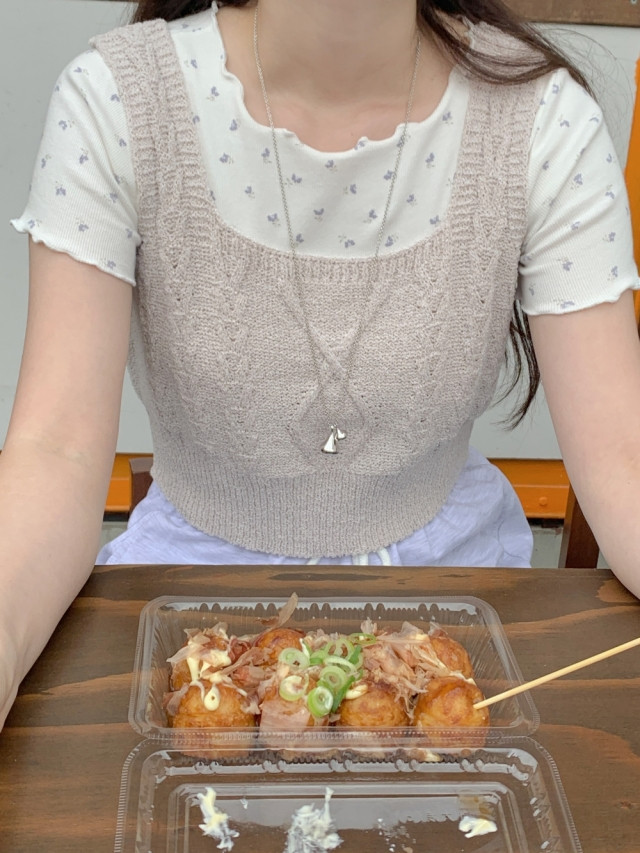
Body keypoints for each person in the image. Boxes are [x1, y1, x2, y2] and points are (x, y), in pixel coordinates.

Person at [1, 0, 639, 728]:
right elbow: (54, 448)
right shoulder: (117, 98)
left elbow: (623, 454)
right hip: (185, 602)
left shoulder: (545, 117)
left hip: (457, 595)